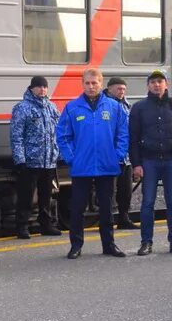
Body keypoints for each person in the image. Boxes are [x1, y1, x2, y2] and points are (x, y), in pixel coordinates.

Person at [57, 68, 128, 259]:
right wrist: (72, 158)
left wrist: (118, 155)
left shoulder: (114, 107)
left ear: (101, 84)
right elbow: (63, 136)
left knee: (106, 208)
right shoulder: (72, 108)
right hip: (82, 167)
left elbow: (123, 133)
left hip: (107, 165)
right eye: (87, 83)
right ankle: (76, 246)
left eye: (94, 83)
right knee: (77, 208)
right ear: (82, 84)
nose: (90, 86)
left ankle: (109, 245)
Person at [129, 69, 172, 256]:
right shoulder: (139, 108)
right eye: (153, 82)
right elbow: (133, 138)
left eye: (160, 81)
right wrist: (136, 164)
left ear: (167, 84)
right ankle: (146, 243)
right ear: (148, 85)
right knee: (147, 203)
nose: (157, 85)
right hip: (149, 161)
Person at [10, 76, 62, 239]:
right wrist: (20, 159)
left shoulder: (52, 107)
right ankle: (22, 226)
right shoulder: (22, 108)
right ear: (31, 88)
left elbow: (58, 132)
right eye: (39, 87)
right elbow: (16, 135)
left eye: (45, 87)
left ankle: (46, 225)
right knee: (26, 196)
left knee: (46, 195)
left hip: (48, 160)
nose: (42, 90)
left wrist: (58, 154)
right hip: (30, 161)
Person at [104, 76, 138, 230]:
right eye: (118, 89)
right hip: (110, 155)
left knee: (126, 189)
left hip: (126, 156)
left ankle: (124, 218)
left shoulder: (126, 105)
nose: (121, 92)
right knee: (109, 190)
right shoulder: (103, 104)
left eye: (123, 89)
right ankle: (108, 220)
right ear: (109, 88)